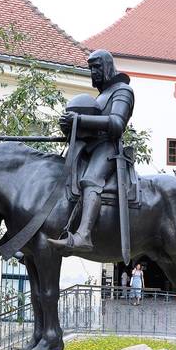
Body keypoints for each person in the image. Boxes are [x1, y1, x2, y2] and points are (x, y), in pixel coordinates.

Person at [47, 50, 135, 254]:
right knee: (55, 180)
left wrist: (79, 120)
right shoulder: (102, 96)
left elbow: (116, 123)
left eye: (96, 67)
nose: (92, 72)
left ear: (107, 66)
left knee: (91, 180)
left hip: (108, 149)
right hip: (87, 148)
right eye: (90, 68)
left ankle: (84, 235)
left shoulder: (122, 91)